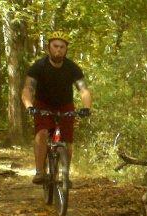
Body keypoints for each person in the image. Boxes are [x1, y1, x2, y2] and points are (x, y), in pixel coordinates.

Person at [21, 31, 93, 184]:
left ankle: (65, 175)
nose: (58, 50)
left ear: (66, 49)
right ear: (49, 48)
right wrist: (29, 106)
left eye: (62, 47)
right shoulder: (39, 66)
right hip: (43, 105)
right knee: (42, 133)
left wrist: (86, 107)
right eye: (55, 46)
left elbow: (83, 89)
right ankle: (40, 171)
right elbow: (28, 88)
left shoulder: (72, 68)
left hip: (65, 105)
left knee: (67, 141)